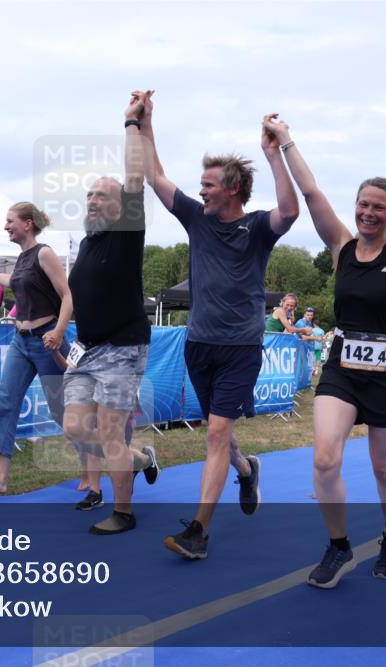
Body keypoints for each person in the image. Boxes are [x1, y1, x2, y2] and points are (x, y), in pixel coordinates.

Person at [265, 81, 386, 588]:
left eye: (378, 207)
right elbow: (311, 193)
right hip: (343, 368)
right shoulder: (341, 248)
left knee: (384, 470)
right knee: (325, 458)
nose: (368, 212)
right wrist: (285, 141)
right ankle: (339, 546)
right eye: (362, 205)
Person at [139, 93, 300, 560]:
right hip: (198, 345)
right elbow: (154, 177)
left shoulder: (258, 227)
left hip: (240, 349)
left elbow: (291, 211)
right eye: (201, 185)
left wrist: (274, 153)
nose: (202, 191)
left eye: (208, 185)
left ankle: (199, 532)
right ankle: (247, 470)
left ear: (232, 189)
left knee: (213, 434)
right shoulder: (196, 219)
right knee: (218, 430)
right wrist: (146, 123)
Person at [62, 91, 160, 535]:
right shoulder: (87, 242)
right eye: (89, 194)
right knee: (74, 428)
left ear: (121, 204)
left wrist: (131, 123)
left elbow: (135, 177)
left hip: (122, 348)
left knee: (109, 433)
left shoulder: (126, 232)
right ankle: (140, 459)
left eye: (102, 195)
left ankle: (124, 512)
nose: (93, 200)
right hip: (87, 350)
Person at [0, 202, 72, 494]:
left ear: (27, 224)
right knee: (7, 399)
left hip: (47, 341)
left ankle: (123, 456)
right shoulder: (22, 258)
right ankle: (1, 478)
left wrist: (58, 332)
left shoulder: (44, 253)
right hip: (21, 341)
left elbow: (68, 296)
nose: (5, 226)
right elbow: (12, 281)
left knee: (64, 413)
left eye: (10, 221)